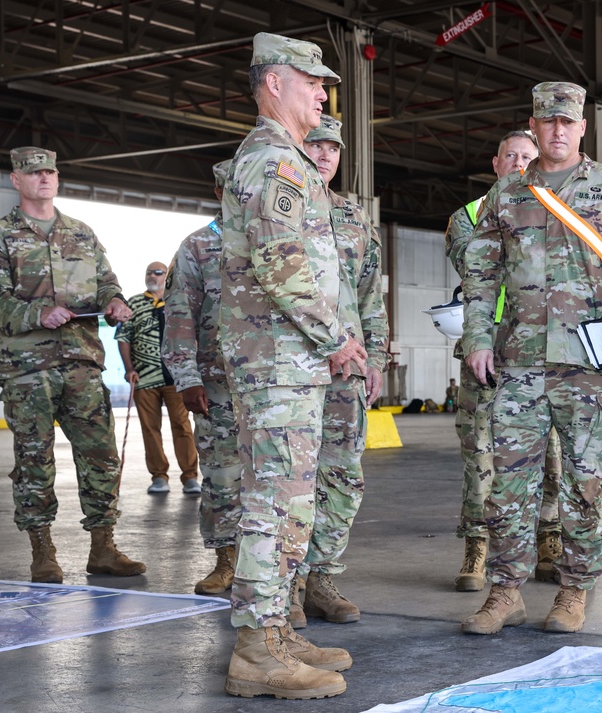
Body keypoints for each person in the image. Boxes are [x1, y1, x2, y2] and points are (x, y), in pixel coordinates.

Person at [460, 82, 602, 635]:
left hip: (590, 364)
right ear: (533, 123)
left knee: (585, 481)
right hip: (521, 359)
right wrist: (477, 338)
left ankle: (574, 590)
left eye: (566, 123)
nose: (556, 131)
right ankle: (505, 591)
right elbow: (479, 277)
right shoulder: (508, 194)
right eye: (547, 122)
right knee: (510, 483)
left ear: (581, 128)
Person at [218, 33, 363, 700]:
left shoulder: (288, 159)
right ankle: (255, 648)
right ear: (275, 83)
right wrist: (337, 336)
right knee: (273, 503)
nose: (323, 91)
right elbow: (282, 267)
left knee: (290, 503)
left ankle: (274, 628)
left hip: (286, 358)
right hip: (276, 358)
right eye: (311, 80)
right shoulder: (273, 163)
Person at [0, 146, 145, 583]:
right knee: (35, 459)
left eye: (50, 171)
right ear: (17, 180)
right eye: (35, 173)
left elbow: (107, 280)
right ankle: (42, 552)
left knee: (101, 455)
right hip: (28, 371)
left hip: (82, 363)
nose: (45, 179)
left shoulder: (81, 233)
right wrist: (38, 314)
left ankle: (103, 548)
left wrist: (114, 301)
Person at [444, 129, 564, 590]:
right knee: (479, 450)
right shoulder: (469, 216)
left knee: (548, 450)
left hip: (541, 354)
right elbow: (484, 269)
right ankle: (477, 546)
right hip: (488, 352)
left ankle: (548, 538)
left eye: (526, 157)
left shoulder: (557, 210)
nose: (517, 163)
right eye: (510, 156)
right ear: (495, 164)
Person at [287, 114, 389, 627]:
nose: (325, 154)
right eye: (315, 144)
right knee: (288, 476)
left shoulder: (353, 215)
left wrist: (376, 356)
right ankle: (286, 585)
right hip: (293, 361)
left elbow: (370, 292)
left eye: (333, 147)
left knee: (343, 474)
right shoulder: (281, 201)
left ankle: (322, 577)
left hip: (347, 367)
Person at [162, 160, 241, 595]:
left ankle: (282, 571)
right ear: (217, 191)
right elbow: (179, 316)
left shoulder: (278, 238)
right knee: (222, 475)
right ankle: (226, 561)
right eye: (231, 189)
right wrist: (187, 376)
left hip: (276, 383)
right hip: (216, 383)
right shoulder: (197, 246)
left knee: (280, 478)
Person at [116, 261, 199, 495]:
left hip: (177, 377)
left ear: (167, 276)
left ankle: (190, 476)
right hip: (144, 377)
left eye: (158, 272)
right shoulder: (134, 303)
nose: (152, 276)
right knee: (150, 428)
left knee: (182, 426)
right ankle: (159, 476)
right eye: (149, 272)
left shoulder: (179, 301)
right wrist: (128, 368)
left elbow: (192, 334)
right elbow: (124, 337)